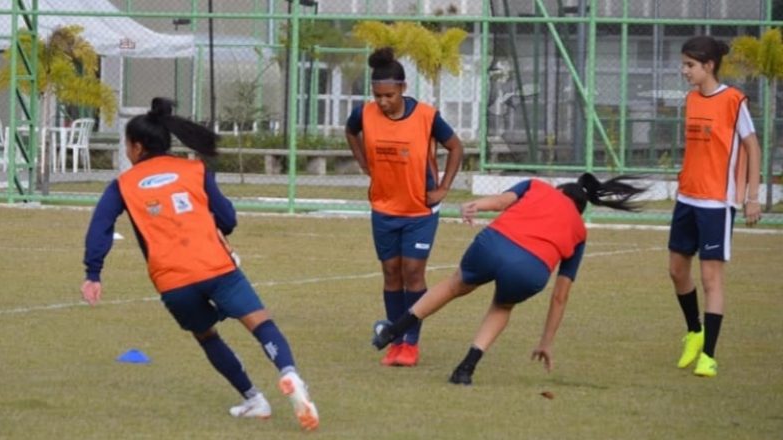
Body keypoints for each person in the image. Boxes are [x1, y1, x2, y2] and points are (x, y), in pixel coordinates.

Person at [80, 98, 318, 431]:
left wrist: (93, 273)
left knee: (206, 336)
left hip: (173, 281)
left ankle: (253, 398)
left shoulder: (123, 184)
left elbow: (100, 227)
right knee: (261, 324)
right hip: (216, 266)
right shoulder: (195, 169)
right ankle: (289, 374)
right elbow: (228, 218)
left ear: (137, 147)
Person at [371, 173, 646, 385]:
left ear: (559, 190)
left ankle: (394, 331)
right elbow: (560, 296)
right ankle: (465, 369)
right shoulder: (579, 231)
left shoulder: (538, 186)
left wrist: (475, 205)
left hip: (494, 243)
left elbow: (502, 202)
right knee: (502, 306)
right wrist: (546, 342)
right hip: (530, 269)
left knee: (455, 285)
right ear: (580, 210)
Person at [345, 47, 464, 367]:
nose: (383, 102)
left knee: (412, 272)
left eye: (389, 96)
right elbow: (351, 131)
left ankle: (410, 342)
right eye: (377, 96)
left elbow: (456, 147)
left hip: (419, 211)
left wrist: (443, 188)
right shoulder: (364, 113)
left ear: (403, 88)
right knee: (391, 273)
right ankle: (395, 339)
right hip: (384, 208)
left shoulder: (427, 116)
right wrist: (363, 162)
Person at [669, 36, 762, 378]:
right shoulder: (691, 99)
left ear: (709, 66)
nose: (684, 71)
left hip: (716, 204)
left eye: (690, 65)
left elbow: (753, 148)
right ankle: (694, 332)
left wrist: (752, 196)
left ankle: (708, 355)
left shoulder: (734, 101)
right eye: (684, 64)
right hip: (686, 198)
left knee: (711, 279)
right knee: (676, 270)